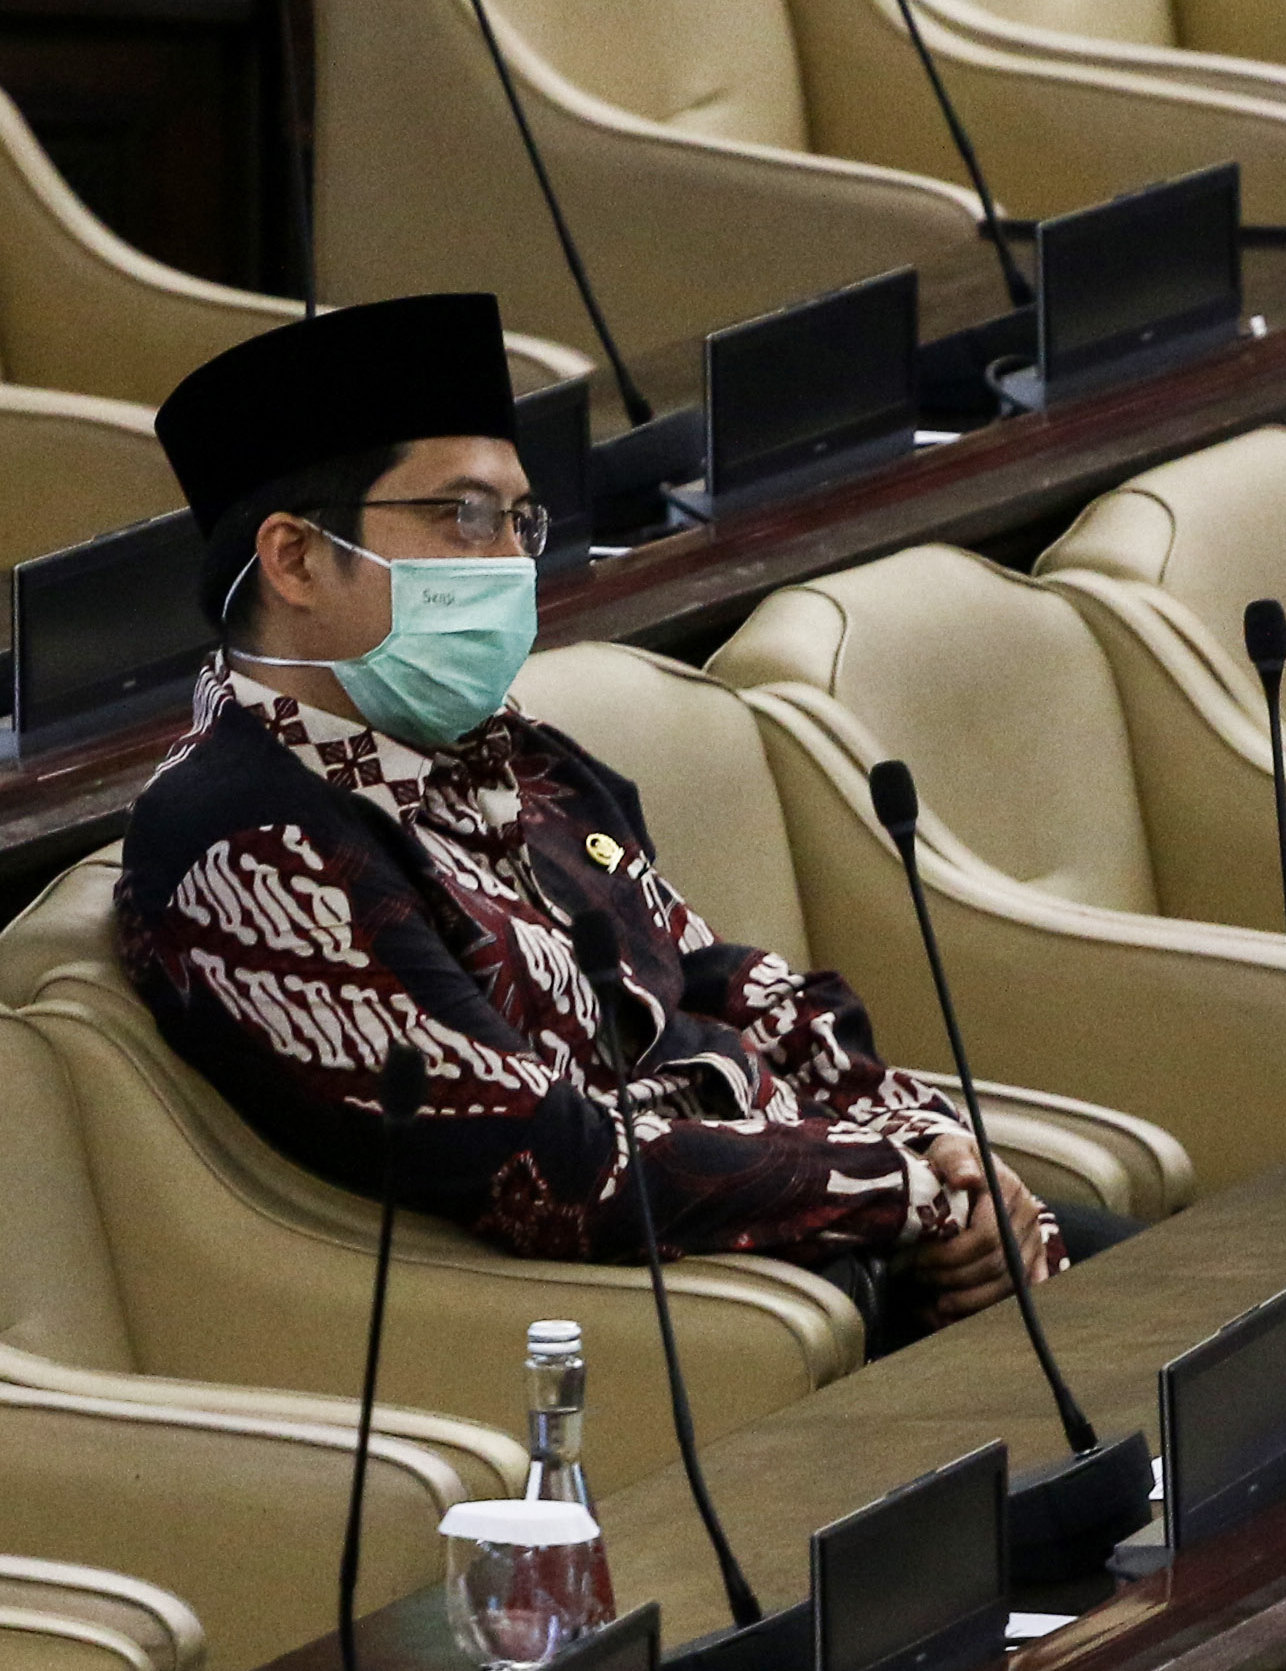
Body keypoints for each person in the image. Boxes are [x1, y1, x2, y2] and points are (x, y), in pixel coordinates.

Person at [115, 291, 1060, 1336]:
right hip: (688, 1316)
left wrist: (940, 1153)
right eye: (464, 516)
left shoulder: (520, 754)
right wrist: (897, 1189)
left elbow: (723, 983)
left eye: (520, 519)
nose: (513, 560)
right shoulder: (243, 844)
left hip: (826, 1229)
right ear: (293, 558)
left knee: (1152, 1301)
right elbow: (551, 1161)